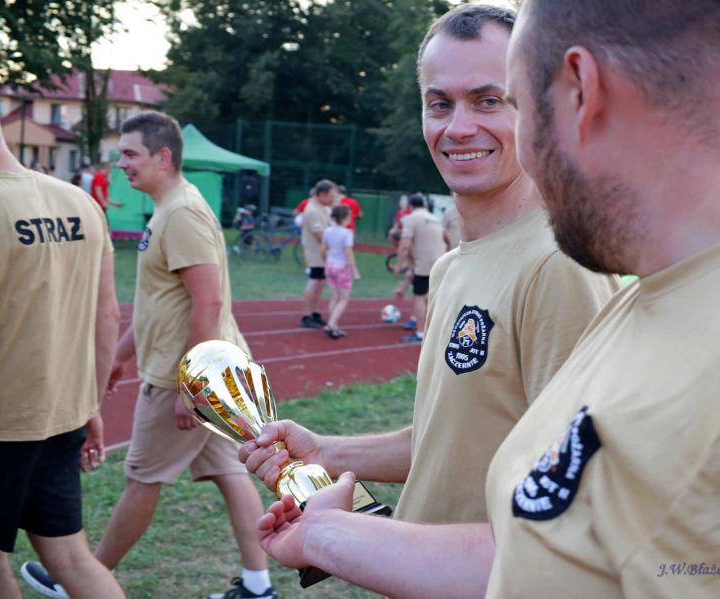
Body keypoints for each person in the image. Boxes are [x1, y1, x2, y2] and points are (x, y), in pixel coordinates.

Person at [269, 1, 720, 597]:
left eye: (515, 103)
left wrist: (333, 534)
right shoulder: (675, 285)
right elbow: (564, 550)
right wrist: (331, 526)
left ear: (581, 90)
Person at [240, 6, 620, 597]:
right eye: (439, 104)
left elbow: (584, 511)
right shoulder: (450, 268)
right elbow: (447, 439)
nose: (458, 127)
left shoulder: (559, 265)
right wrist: (326, 451)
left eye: (489, 101)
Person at [21, 112, 278, 599]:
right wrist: (121, 354)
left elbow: (208, 303)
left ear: (163, 157)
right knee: (229, 472)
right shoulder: (170, 209)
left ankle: (83, 577)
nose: (120, 163)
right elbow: (163, 303)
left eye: (130, 154)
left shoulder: (181, 214)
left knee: (142, 478)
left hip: (186, 376)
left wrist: (190, 385)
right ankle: (258, 586)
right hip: (211, 370)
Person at [0, 110, 124, 599]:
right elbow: (107, 315)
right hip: (61, 417)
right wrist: (90, 405)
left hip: (3, 421)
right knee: (70, 557)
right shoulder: (79, 201)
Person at [396, 193, 447, 343]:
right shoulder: (435, 218)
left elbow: (404, 245)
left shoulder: (411, 218)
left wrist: (399, 264)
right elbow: (447, 238)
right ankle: (435, 331)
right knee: (430, 297)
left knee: (419, 296)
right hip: (441, 262)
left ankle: (420, 333)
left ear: (410, 207)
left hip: (424, 264)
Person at [321, 205, 361, 339]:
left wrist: (326, 261)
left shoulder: (327, 231)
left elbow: (323, 249)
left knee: (334, 298)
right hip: (342, 268)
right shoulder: (347, 233)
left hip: (330, 265)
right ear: (345, 218)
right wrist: (354, 271)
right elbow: (349, 253)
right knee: (343, 299)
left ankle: (334, 326)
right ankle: (331, 324)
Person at [300, 180, 335, 328]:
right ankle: (307, 315)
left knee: (320, 283)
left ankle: (314, 312)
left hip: (323, 253)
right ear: (322, 194)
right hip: (316, 253)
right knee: (314, 282)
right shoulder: (313, 210)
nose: (333, 198)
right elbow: (319, 234)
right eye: (330, 195)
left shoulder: (322, 208)